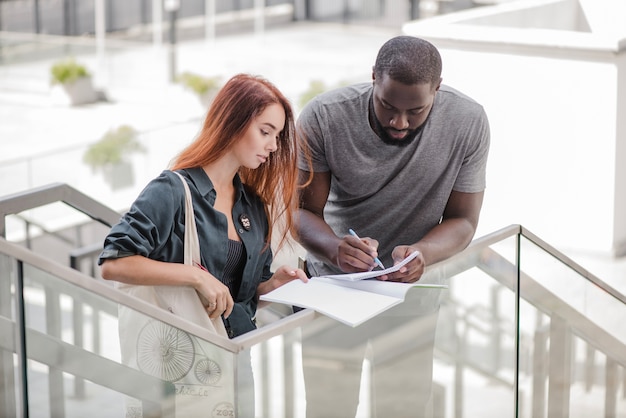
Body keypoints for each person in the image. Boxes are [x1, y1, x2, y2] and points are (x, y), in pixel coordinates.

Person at [295, 35, 490, 417]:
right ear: (373, 78)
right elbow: (300, 212)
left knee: (402, 409)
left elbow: (464, 220)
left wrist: (424, 253)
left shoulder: (468, 121)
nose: (399, 122)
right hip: (332, 290)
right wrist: (335, 248)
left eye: (415, 110)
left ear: (437, 88)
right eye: (387, 105)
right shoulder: (324, 116)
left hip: (410, 297)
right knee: (327, 409)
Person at [98, 73, 308, 416]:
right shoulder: (172, 190)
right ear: (233, 122)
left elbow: (238, 297)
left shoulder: (252, 204)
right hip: (176, 372)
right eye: (265, 131)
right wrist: (194, 276)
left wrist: (272, 286)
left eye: (277, 136)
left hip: (234, 362)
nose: (272, 146)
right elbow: (113, 263)